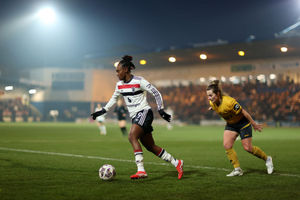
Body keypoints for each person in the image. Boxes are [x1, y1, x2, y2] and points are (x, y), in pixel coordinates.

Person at [91, 55, 183, 179]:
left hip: (145, 112)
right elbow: (113, 99)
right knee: (150, 146)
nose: (117, 73)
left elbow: (156, 92)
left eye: (118, 71)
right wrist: (102, 111)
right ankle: (177, 163)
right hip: (136, 117)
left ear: (126, 70)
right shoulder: (119, 85)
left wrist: (160, 110)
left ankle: (141, 170)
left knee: (132, 136)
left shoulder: (139, 81)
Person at [206, 80, 273, 176]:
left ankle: (267, 159)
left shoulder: (230, 102)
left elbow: (244, 112)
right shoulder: (212, 103)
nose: (209, 98)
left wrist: (253, 124)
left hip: (243, 123)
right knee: (227, 145)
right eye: (208, 96)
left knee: (248, 148)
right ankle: (237, 169)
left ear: (218, 94)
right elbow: (218, 107)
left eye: (210, 95)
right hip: (231, 125)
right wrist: (213, 108)